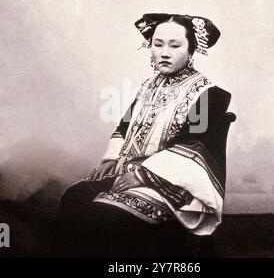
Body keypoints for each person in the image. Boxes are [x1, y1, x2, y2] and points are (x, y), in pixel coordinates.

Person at [57, 13, 232, 257]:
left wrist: (142, 175)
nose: (164, 53)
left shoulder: (209, 94)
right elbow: (125, 126)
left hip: (173, 184)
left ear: (191, 49)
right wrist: (111, 159)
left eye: (175, 45)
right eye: (157, 44)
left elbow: (192, 147)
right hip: (128, 169)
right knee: (74, 198)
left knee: (103, 214)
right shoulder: (148, 86)